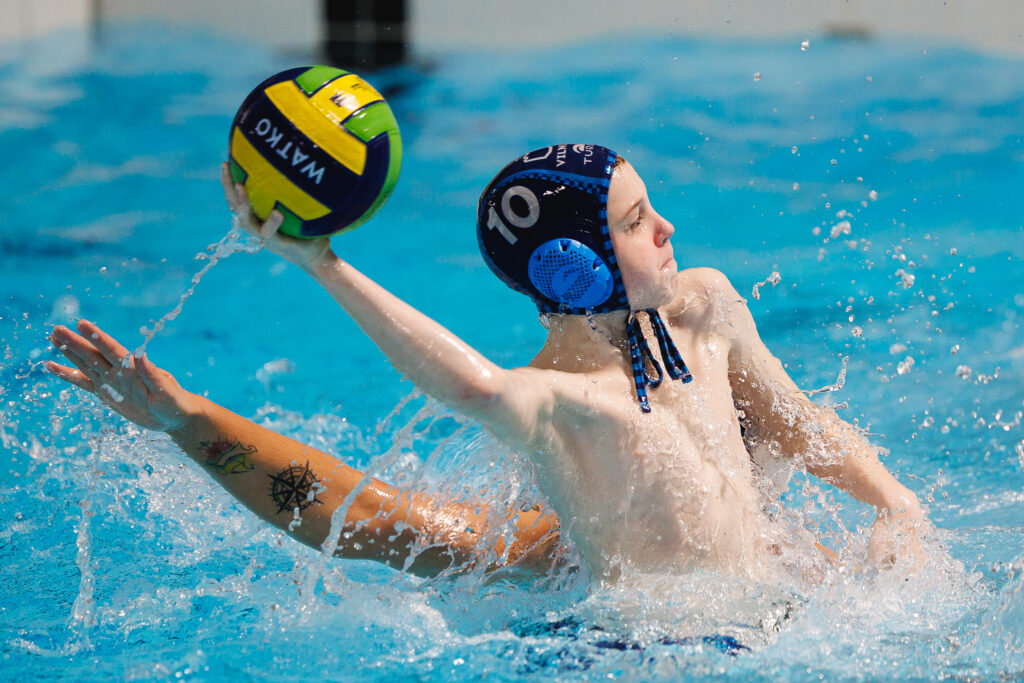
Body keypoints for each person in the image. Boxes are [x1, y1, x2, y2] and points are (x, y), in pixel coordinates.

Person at [46, 144, 927, 584]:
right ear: (574, 267)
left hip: (773, 594)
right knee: (431, 534)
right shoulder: (565, 407)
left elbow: (798, 424)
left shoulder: (703, 305)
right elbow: (389, 483)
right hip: (661, 650)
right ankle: (199, 426)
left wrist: (896, 505)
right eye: (635, 221)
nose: (667, 229)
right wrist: (320, 265)